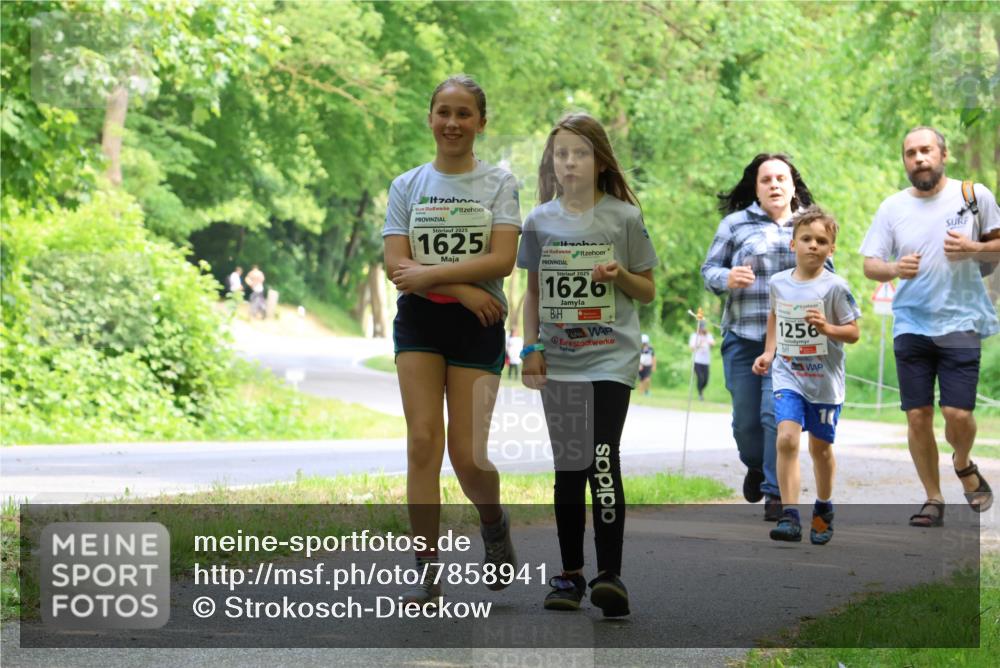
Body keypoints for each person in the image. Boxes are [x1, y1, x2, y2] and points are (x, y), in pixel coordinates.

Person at [382, 75, 521, 604]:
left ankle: (493, 522)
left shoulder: (499, 183)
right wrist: (461, 286)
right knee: (422, 442)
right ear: (430, 117)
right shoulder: (407, 185)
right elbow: (397, 265)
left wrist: (442, 278)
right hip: (421, 320)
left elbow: (502, 260)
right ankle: (425, 566)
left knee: (467, 456)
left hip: (479, 323)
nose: (452, 123)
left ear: (481, 122)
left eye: (464, 114)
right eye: (443, 111)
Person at [519, 112, 657, 617]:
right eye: (561, 153)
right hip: (560, 360)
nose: (570, 161)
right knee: (568, 468)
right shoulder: (538, 221)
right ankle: (570, 574)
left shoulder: (622, 218)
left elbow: (646, 288)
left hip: (610, 358)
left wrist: (619, 274)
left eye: (580, 152)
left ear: (600, 162)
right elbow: (531, 292)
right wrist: (529, 349)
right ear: (552, 163)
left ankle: (610, 576)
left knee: (602, 458)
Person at [860, 126, 999, 527]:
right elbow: (871, 264)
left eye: (925, 150)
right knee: (917, 416)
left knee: (957, 414)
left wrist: (973, 248)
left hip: (961, 320)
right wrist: (893, 268)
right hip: (911, 323)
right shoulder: (892, 207)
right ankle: (933, 499)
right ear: (904, 160)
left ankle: (963, 461)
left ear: (943, 154)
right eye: (910, 153)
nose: (918, 158)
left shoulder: (974, 196)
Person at [701, 153, 825, 521]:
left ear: (792, 185)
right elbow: (709, 270)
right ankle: (755, 466)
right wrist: (728, 278)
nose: (774, 185)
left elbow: (828, 271)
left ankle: (775, 492)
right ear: (755, 187)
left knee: (776, 416)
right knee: (746, 424)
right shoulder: (735, 225)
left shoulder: (808, 224)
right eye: (766, 179)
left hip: (790, 341)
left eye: (780, 178)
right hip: (743, 335)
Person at [752, 207, 861, 543]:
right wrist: (769, 353)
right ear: (793, 244)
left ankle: (824, 509)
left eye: (822, 241)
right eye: (807, 239)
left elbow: (853, 332)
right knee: (786, 437)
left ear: (831, 249)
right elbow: (774, 316)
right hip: (788, 375)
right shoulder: (778, 283)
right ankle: (789, 515)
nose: (813, 245)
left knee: (821, 449)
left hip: (824, 383)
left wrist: (827, 327)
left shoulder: (835, 288)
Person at [688, 321, 715, 400]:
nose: (702, 329)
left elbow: (713, 343)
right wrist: (699, 343)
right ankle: (700, 394)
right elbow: (692, 348)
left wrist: (707, 341)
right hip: (696, 360)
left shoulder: (708, 335)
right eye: (700, 328)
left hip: (706, 361)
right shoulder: (694, 336)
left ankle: (701, 390)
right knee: (700, 377)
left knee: (706, 379)